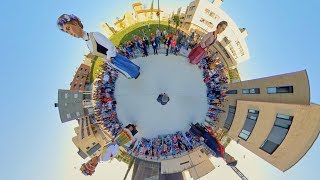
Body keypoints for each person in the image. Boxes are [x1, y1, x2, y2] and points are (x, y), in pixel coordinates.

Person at [57, 14, 140, 79]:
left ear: (75, 23)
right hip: (112, 62)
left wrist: (109, 57)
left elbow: (110, 46)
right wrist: (107, 60)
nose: (70, 33)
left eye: (68, 28)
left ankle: (136, 73)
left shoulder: (94, 35)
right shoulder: (87, 43)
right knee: (126, 71)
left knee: (131, 71)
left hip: (115, 59)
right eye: (67, 32)